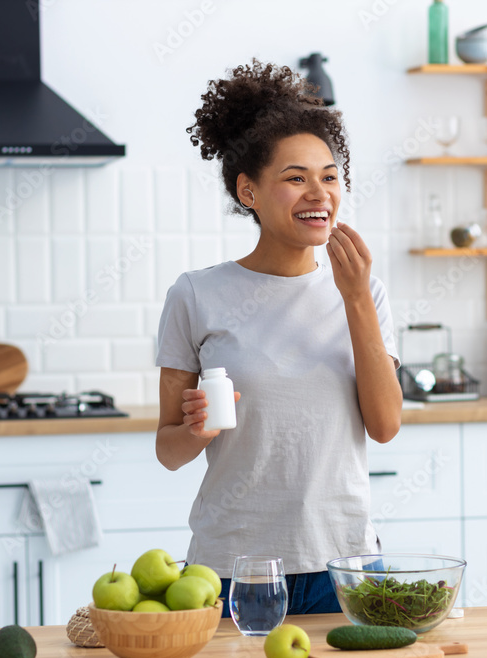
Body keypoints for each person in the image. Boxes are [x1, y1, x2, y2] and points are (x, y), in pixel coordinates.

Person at [155, 60, 403, 617]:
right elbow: (168, 451)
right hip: (233, 569)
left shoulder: (366, 291)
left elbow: (385, 426)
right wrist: (197, 430)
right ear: (250, 191)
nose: (319, 193)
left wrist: (356, 298)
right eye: (296, 178)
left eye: (330, 176)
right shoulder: (196, 296)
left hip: (346, 563)